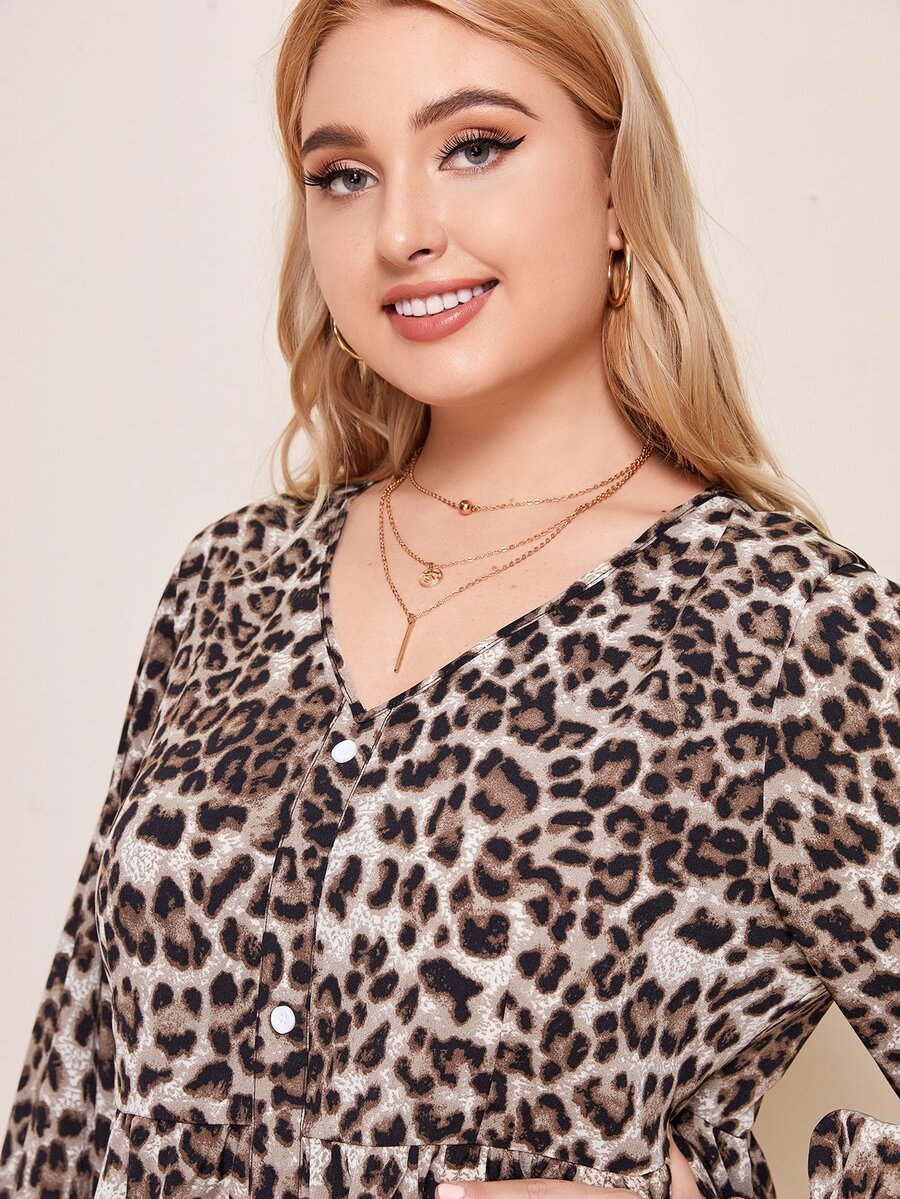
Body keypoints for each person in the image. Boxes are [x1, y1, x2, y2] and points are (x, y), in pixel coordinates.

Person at [1, 1, 898, 1197]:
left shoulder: (786, 628)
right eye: (345, 174)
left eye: (476, 146)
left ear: (618, 187)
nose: (401, 231)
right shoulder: (229, 583)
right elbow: (67, 1103)